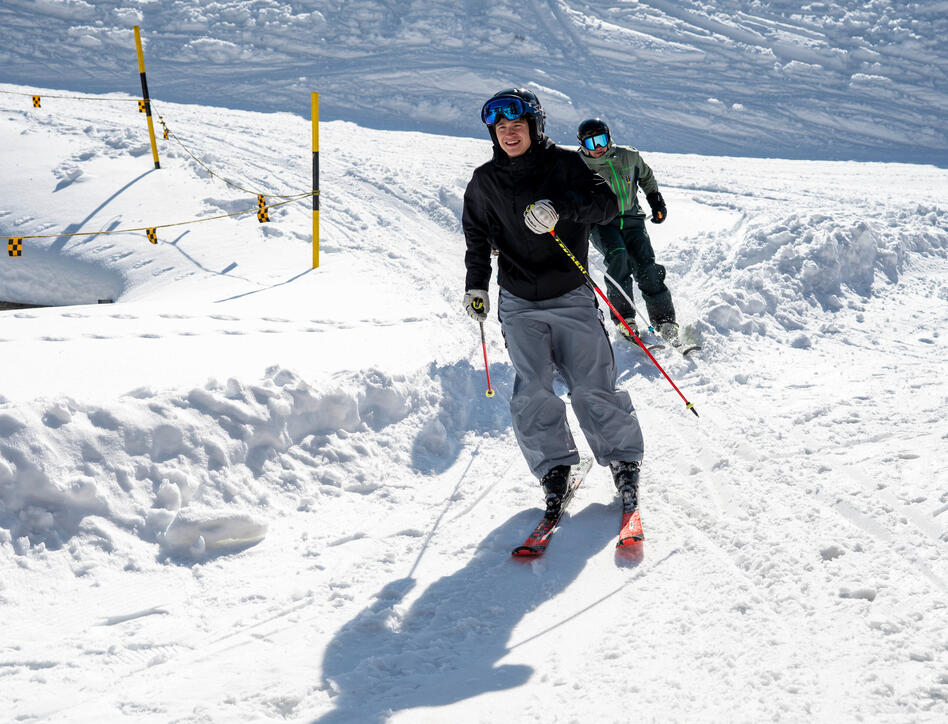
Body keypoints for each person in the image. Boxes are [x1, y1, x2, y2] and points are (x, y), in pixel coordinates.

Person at [461, 88, 643, 512]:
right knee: (533, 391)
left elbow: (606, 203)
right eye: (501, 128)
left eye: (517, 126)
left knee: (591, 384)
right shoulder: (485, 181)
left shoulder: (566, 165)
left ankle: (623, 461)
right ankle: (554, 467)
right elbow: (475, 235)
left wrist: (560, 207)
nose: (509, 134)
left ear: (535, 126)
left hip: (571, 293)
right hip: (519, 300)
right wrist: (476, 285)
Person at [576, 117, 678, 344]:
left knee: (646, 265)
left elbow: (646, 175)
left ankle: (665, 321)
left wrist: (656, 200)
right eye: (591, 144)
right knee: (618, 258)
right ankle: (625, 319)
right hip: (602, 223)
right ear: (582, 145)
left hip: (632, 218)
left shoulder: (628, 155)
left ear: (609, 137)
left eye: (601, 140)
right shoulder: (577, 166)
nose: (598, 148)